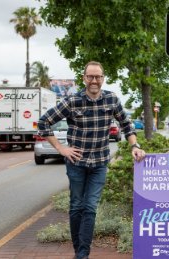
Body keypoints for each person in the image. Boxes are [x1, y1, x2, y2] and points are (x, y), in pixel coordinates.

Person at [38, 61, 145, 259]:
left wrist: (134, 146)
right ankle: (79, 251)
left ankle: (82, 254)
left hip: (99, 164)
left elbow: (127, 126)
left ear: (103, 78)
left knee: (90, 207)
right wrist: (61, 148)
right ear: (84, 78)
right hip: (76, 163)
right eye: (90, 77)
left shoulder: (112, 99)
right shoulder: (72, 101)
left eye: (98, 77)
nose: (94, 80)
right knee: (76, 206)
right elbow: (44, 122)